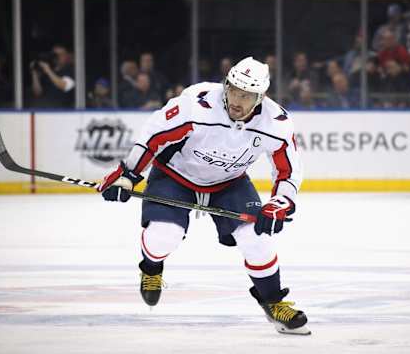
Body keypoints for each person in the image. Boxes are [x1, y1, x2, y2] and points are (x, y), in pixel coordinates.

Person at [97, 57, 310, 335]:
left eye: (245, 95)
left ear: (260, 97)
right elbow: (153, 136)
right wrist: (128, 174)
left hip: (229, 183)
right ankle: (151, 269)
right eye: (233, 90)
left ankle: (274, 303)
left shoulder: (276, 122)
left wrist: (280, 203)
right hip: (175, 176)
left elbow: (288, 170)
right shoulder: (197, 105)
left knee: (257, 238)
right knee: (164, 236)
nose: (236, 99)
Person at [30, 44, 75, 108]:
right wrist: (34, 73)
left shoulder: (71, 70)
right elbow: (37, 93)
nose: (58, 57)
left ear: (66, 56)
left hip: (63, 112)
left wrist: (48, 70)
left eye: (61, 54)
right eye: (55, 55)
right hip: (45, 109)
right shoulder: (46, 71)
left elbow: (65, 86)